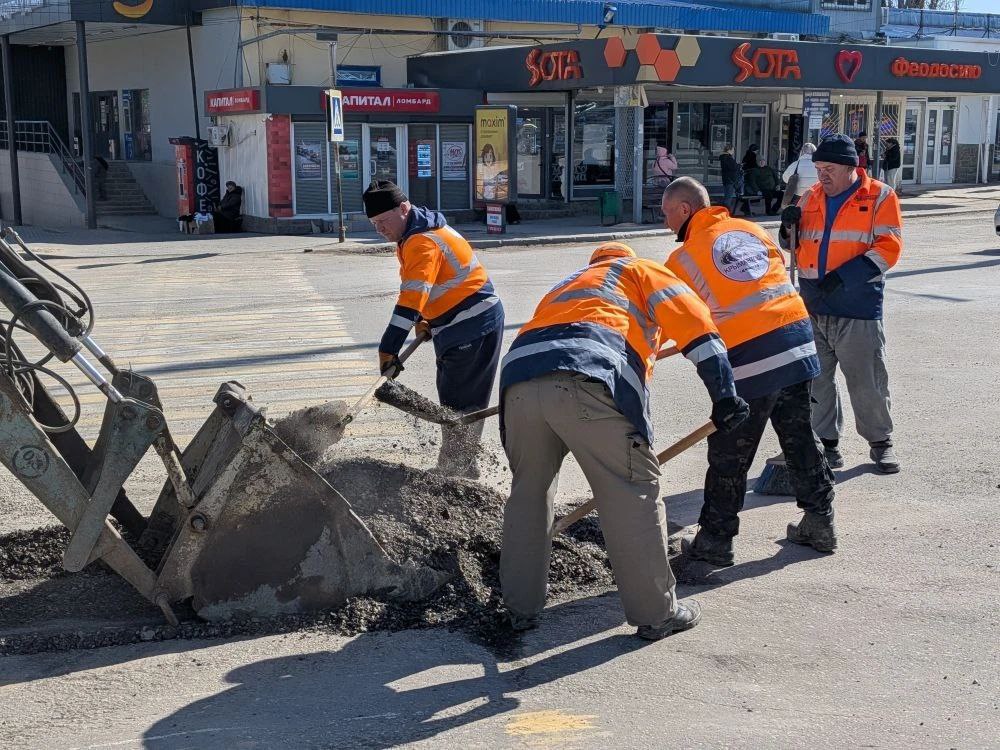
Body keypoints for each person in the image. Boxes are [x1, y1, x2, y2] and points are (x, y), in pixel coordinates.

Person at [498, 241, 749, 639]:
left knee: (530, 494)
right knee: (631, 490)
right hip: (587, 379)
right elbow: (699, 330)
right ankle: (656, 612)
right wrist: (724, 396)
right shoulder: (639, 271)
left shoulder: (568, 284)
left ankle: (519, 607)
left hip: (518, 383)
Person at [660, 177, 837, 565]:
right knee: (798, 435)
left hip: (753, 357)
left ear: (685, 209)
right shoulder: (750, 228)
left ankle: (715, 541)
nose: (666, 222)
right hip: (798, 344)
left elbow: (676, 317)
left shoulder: (684, 258)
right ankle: (820, 521)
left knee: (730, 451)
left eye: (667, 213)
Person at [363, 180, 504, 479]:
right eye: (373, 223)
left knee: (460, 403)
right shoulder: (414, 233)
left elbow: (410, 301)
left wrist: (388, 349)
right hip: (455, 323)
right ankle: (460, 467)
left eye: (383, 221)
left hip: (472, 323)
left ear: (403, 209)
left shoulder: (422, 241)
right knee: (454, 399)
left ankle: (457, 472)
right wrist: (425, 319)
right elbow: (428, 289)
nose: (379, 230)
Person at [779, 134, 903, 474]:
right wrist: (786, 228)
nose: (822, 175)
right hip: (813, 303)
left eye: (829, 168)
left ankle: (881, 444)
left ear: (851, 167)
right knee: (816, 381)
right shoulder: (810, 197)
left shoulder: (879, 196)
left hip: (856, 304)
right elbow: (795, 245)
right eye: (818, 168)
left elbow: (888, 248)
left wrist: (845, 276)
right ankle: (827, 446)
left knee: (866, 379)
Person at [782, 142, 819, 206]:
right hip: (814, 195)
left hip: (798, 196)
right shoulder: (818, 165)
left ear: (802, 152)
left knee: (798, 214)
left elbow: (785, 178)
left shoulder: (795, 164)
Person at [719, 145, 741, 214]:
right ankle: (725, 212)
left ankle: (725, 212)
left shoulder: (724, 157)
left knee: (728, 196)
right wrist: (738, 166)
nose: (733, 152)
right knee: (728, 197)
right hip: (730, 180)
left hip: (727, 179)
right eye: (733, 150)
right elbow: (733, 167)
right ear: (729, 150)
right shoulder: (727, 158)